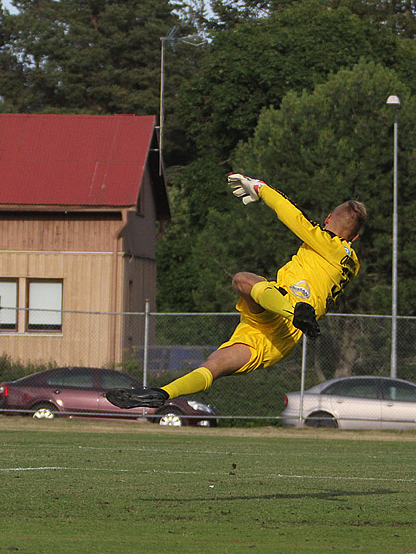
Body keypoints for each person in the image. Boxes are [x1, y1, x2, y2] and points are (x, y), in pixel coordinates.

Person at [106, 173, 366, 409]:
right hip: (277, 334)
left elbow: (290, 214)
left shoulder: (329, 243)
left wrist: (261, 188)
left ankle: (295, 311)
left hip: (286, 310)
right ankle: (162, 393)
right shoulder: (351, 264)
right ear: (355, 238)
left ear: (328, 220)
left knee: (242, 280)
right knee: (214, 365)